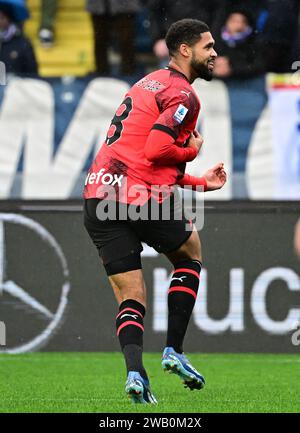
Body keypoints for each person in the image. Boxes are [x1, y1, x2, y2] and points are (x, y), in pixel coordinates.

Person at [83, 18, 226, 404]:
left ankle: (135, 374)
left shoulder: (148, 83)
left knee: (131, 297)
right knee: (190, 254)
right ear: (185, 50)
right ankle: (174, 350)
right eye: (208, 47)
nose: (215, 53)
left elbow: (144, 158)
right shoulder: (183, 96)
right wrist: (192, 153)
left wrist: (198, 182)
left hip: (99, 197)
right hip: (140, 198)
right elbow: (157, 151)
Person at [147, 0, 220, 67]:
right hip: (173, 44)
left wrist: (215, 46)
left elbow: (220, 13)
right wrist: (158, 38)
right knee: (171, 78)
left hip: (207, 43)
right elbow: (154, 11)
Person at [86, 0, 140, 75]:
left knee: (126, 39)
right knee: (99, 39)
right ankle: (101, 70)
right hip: (98, 6)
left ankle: (129, 71)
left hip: (125, 6)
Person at [213, 8, 266, 80]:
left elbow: (258, 65)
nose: (238, 25)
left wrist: (232, 68)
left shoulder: (254, 41)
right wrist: (214, 66)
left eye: (242, 21)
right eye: (234, 21)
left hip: (243, 83)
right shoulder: (214, 38)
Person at [0, 4, 38, 75]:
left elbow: (32, 70)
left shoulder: (22, 42)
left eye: (2, 18)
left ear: (9, 19)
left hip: (17, 83)